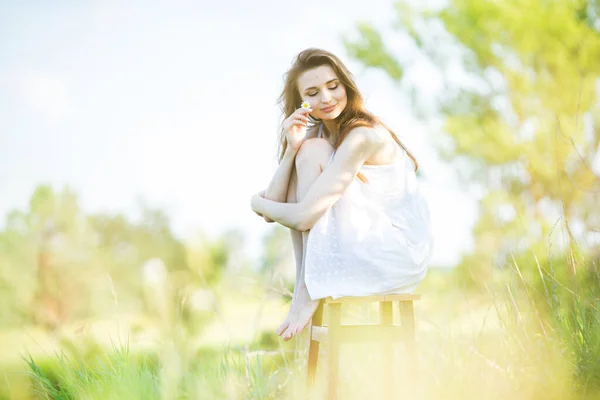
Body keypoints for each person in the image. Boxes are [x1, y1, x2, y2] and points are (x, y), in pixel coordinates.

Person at [250, 48, 434, 341]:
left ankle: (306, 286)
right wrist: (292, 150)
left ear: (346, 85)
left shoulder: (361, 136)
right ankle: (305, 282)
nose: (326, 98)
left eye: (333, 87)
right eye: (313, 92)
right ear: (302, 102)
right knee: (309, 151)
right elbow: (277, 207)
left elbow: (299, 216)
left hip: (398, 250)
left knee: (312, 159)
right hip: (363, 237)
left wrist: (254, 202)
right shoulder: (315, 139)